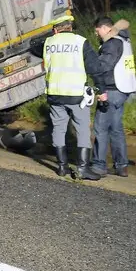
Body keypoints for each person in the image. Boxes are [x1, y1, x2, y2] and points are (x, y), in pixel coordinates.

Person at [42, 15, 102, 180]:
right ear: (70, 26)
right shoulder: (80, 42)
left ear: (55, 29)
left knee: (58, 128)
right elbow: (94, 67)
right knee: (82, 129)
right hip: (76, 95)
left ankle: (62, 167)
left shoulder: (48, 43)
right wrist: (101, 88)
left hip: (54, 94)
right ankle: (82, 169)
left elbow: (46, 67)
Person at [90, 17, 136, 177]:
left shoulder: (111, 44)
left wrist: (90, 65)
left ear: (104, 28)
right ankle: (121, 165)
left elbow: (103, 67)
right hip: (123, 90)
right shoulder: (124, 40)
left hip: (111, 90)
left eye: (97, 31)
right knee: (116, 128)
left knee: (100, 128)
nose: (97, 34)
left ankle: (98, 166)